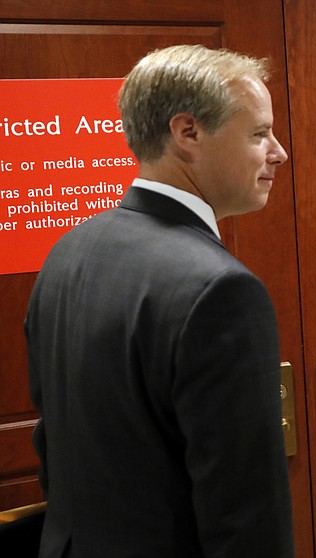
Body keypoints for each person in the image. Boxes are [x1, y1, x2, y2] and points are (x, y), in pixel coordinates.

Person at [25, 45, 294, 557]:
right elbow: (245, 514)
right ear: (187, 133)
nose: (279, 152)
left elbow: (51, 449)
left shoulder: (69, 250)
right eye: (259, 133)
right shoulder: (222, 290)